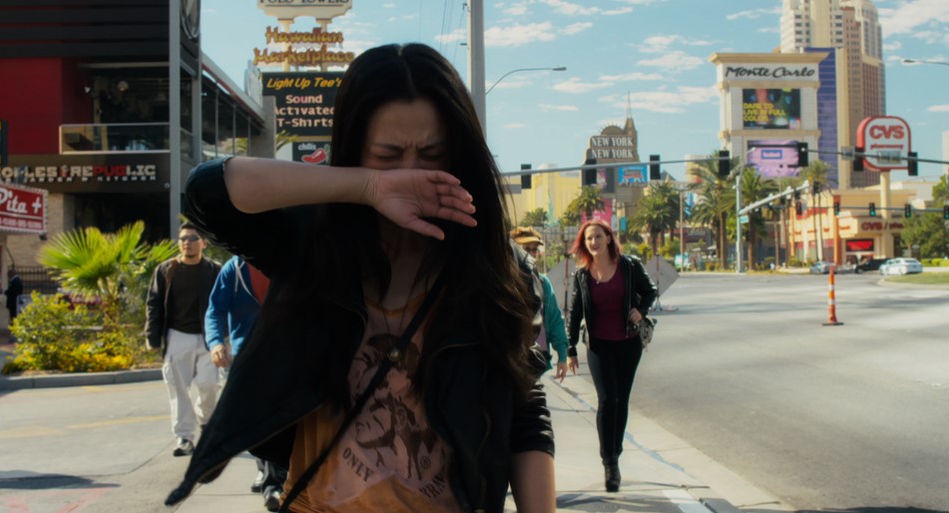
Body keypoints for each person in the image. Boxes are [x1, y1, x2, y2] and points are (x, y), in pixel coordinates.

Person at [166, 43, 554, 513]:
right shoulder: (313, 247)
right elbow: (207, 192)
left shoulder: (499, 271)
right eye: (388, 155)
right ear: (354, 152)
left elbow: (525, 406)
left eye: (432, 153)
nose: (411, 174)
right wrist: (366, 186)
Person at [566, 219, 657, 493]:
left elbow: (650, 291)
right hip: (598, 346)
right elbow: (575, 314)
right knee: (607, 400)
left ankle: (615, 449)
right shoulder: (582, 275)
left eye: (597, 236)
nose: (593, 242)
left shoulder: (629, 265)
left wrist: (640, 310)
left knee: (621, 400)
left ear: (608, 238)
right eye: (588, 238)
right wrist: (570, 348)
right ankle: (610, 462)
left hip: (628, 343)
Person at [204, 255, 286, 511]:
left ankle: (275, 480)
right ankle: (269, 476)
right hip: (246, 355)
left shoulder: (288, 260)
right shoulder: (235, 268)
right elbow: (215, 309)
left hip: (282, 351)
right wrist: (216, 342)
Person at [146, 222, 222, 458]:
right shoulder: (166, 270)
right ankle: (184, 437)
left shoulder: (214, 270)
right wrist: (152, 336)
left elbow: (222, 304)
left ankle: (205, 420)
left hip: (208, 338)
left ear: (204, 243)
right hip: (177, 335)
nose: (187, 243)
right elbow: (154, 304)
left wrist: (223, 337)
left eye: (193, 238)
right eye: (183, 239)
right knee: (178, 388)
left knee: (210, 384)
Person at [510, 227, 569, 382]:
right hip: (510, 357)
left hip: (536, 357)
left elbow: (555, 319)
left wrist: (562, 356)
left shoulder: (543, 282)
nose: (531, 254)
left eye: (534, 250)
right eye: (525, 249)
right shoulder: (505, 282)